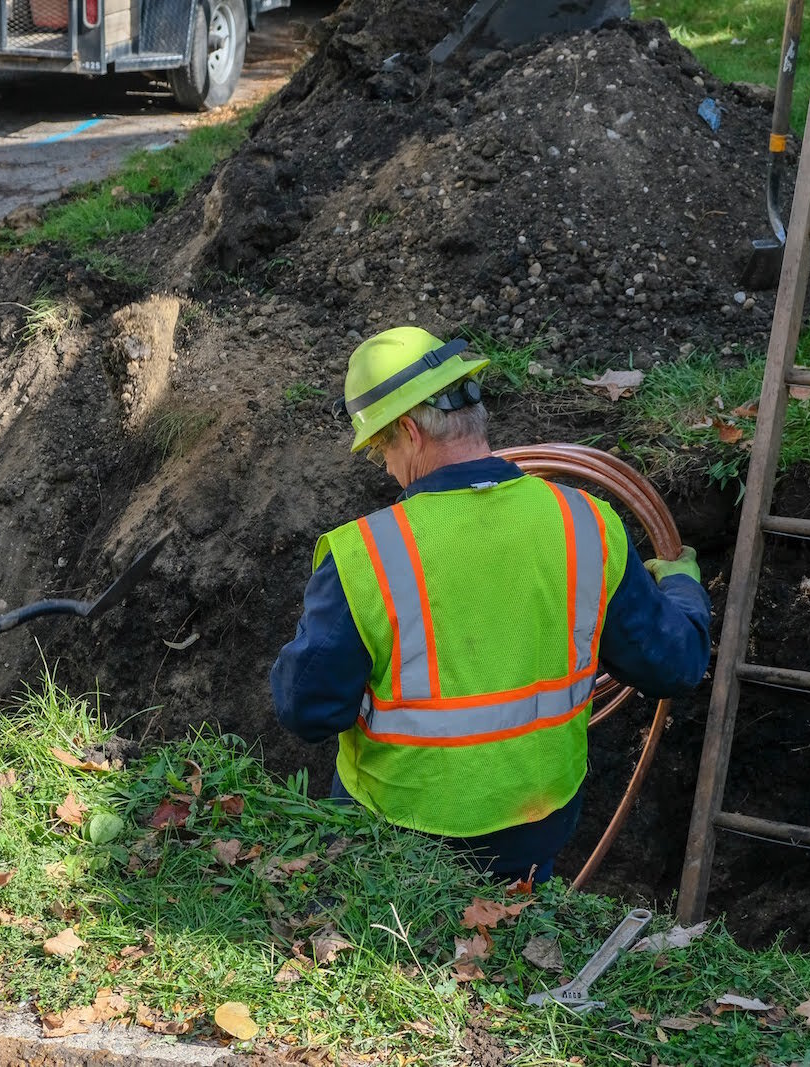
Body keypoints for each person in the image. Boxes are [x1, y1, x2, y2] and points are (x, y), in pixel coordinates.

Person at [270, 327, 711, 883]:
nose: (385, 467)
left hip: (392, 831)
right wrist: (681, 586)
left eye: (383, 446)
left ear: (410, 430)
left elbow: (307, 711)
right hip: (532, 829)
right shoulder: (587, 526)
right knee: (508, 947)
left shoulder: (368, 554)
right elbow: (674, 663)